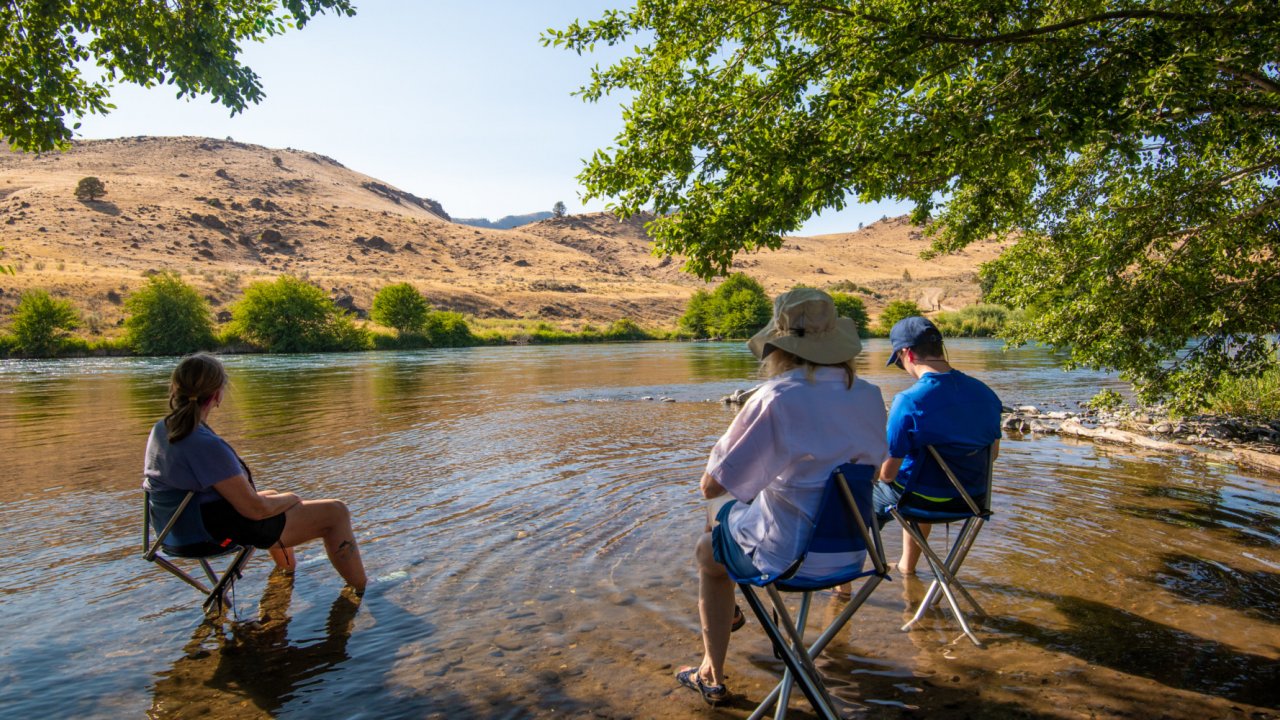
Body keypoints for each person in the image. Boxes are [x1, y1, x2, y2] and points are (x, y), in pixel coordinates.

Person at [676, 289, 888, 706]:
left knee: (709, 544)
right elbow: (875, 470)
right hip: (854, 555)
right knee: (766, 505)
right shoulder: (870, 394)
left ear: (780, 346)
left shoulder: (776, 397)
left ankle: (711, 671)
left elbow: (712, 486)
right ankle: (738, 606)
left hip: (789, 560)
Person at [143, 353, 368, 592]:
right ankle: (362, 587)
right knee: (335, 512)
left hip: (173, 533)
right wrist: (293, 498)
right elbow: (255, 510)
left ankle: (286, 572)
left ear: (175, 388)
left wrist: (278, 499)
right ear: (217, 395)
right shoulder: (205, 444)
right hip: (207, 537)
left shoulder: (162, 429)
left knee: (272, 494)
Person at [877, 316, 1002, 574]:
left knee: (855, 499)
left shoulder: (909, 401)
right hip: (972, 500)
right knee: (919, 482)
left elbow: (887, 475)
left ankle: (842, 585)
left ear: (906, 353)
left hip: (921, 501)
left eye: (899, 362)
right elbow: (994, 455)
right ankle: (907, 568)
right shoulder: (986, 394)